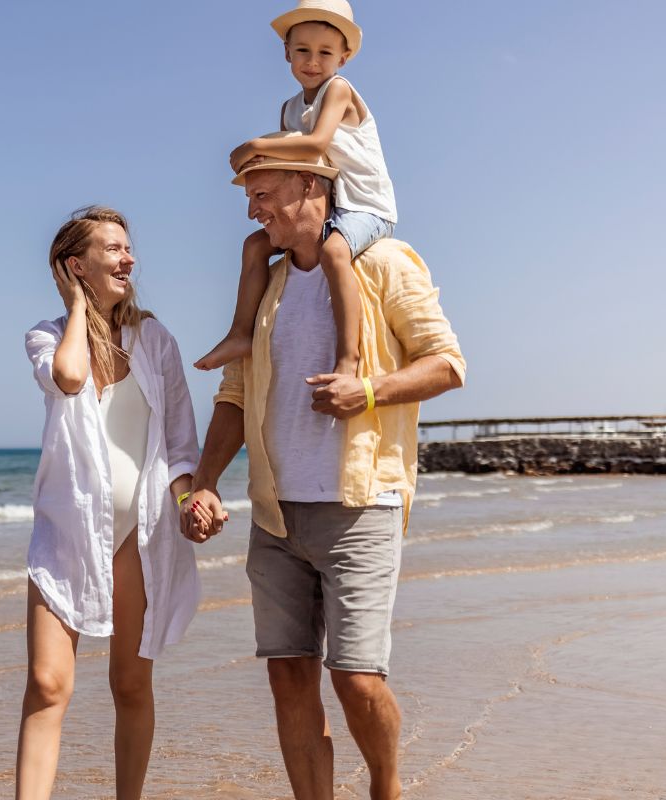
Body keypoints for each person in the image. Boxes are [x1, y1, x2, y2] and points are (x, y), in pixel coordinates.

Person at [186, 152, 465, 800]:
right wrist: (205, 480)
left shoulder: (384, 262)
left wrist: (365, 391)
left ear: (309, 184)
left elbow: (448, 364)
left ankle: (386, 789)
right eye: (249, 197)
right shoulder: (268, 283)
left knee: (356, 678)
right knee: (287, 677)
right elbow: (235, 393)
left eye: (263, 194)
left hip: (360, 506)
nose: (252, 211)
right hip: (274, 516)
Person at [17, 206, 211, 800]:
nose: (129, 259)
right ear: (76, 265)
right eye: (113, 249)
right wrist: (79, 306)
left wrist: (191, 500)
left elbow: (180, 445)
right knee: (48, 685)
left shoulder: (155, 341)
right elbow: (70, 377)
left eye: (129, 248)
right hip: (67, 532)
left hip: (139, 535)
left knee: (130, 684)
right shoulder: (47, 336)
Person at [197, 0, 398, 383]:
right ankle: (240, 333)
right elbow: (295, 169)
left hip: (367, 206)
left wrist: (255, 146)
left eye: (325, 53)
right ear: (287, 52)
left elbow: (316, 144)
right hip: (331, 205)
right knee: (254, 246)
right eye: (303, 50)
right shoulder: (289, 108)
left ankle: (348, 357)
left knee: (334, 252)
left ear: (344, 57)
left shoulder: (338, 90)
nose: (313, 61)